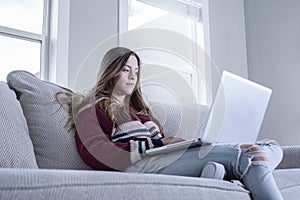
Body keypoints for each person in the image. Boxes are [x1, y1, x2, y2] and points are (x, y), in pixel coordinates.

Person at [55, 47, 284, 200]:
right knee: (247, 155)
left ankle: (216, 171)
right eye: (126, 70)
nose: (133, 77)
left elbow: (160, 143)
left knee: (271, 146)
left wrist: (173, 144)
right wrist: (158, 143)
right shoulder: (91, 108)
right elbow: (96, 153)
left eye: (136, 71)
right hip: (142, 168)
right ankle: (225, 167)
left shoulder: (143, 114)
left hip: (166, 159)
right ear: (110, 72)